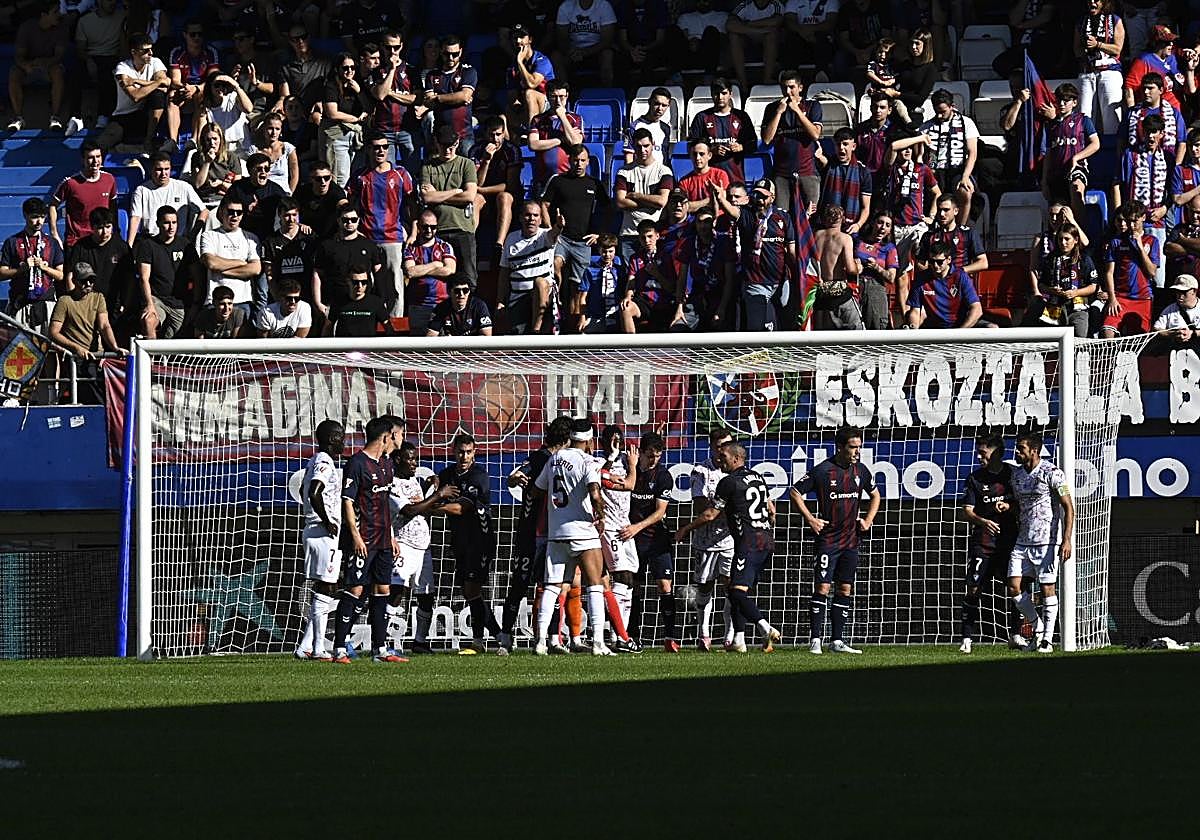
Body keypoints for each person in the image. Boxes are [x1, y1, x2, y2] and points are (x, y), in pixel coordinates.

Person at [678, 440, 781, 653]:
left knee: (736, 593)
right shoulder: (758, 477)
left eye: (724, 456)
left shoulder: (728, 482)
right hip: (766, 540)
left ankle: (765, 628)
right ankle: (739, 641)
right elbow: (771, 509)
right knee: (738, 590)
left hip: (748, 542)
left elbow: (710, 514)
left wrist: (686, 529)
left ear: (736, 458)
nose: (719, 459)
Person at [790, 426, 880, 654]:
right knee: (822, 587)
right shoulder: (822, 471)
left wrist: (868, 520)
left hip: (851, 541)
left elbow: (876, 495)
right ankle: (815, 640)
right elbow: (794, 492)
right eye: (852, 447)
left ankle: (837, 640)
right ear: (840, 447)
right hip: (828, 541)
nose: (857, 452)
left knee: (845, 589)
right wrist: (811, 519)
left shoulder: (861, 471)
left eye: (859, 447)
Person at [531, 416, 613, 656]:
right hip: (583, 532)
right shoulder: (589, 462)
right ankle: (598, 642)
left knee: (552, 587)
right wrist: (600, 517)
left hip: (556, 533)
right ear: (589, 440)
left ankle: (541, 642)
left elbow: (538, 489)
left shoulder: (555, 458)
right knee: (595, 585)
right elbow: (595, 494)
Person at [331, 415, 406, 663]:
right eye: (398, 434)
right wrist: (355, 536)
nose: (400, 439)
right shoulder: (356, 463)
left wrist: (392, 536)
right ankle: (339, 648)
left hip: (384, 539)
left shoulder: (386, 465)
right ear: (386, 436)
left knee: (382, 589)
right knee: (355, 589)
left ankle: (380, 650)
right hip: (364, 538)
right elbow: (348, 502)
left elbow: (384, 504)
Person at [433, 432, 503, 654]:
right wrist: (434, 483)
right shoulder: (447, 474)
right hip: (460, 541)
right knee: (470, 591)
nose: (464, 456)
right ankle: (496, 636)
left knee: (472, 589)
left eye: (468, 452)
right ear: (453, 451)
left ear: (475, 452)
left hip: (480, 540)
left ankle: (483, 639)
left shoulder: (478, 476)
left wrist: (430, 507)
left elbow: (460, 508)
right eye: (460, 452)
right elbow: (436, 483)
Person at [388, 441, 457, 655]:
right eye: (410, 458)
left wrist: (431, 490)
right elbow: (408, 511)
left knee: (426, 594)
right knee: (396, 592)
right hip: (403, 545)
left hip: (422, 546)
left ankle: (419, 641)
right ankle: (382, 642)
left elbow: (423, 509)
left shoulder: (414, 482)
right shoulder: (391, 483)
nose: (414, 463)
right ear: (398, 459)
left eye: (416, 458)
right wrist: (438, 495)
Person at [1009, 430, 1075, 654]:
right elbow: (1020, 506)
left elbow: (1068, 508)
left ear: (1034, 451)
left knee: (1048, 588)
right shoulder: (1016, 475)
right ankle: (1037, 627)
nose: (1016, 452)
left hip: (1047, 541)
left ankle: (1046, 639)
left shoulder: (1053, 473)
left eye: (1021, 448)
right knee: (1014, 586)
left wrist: (1066, 540)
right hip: (1022, 541)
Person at [959, 432, 1023, 654]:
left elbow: (1024, 502)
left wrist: (1010, 507)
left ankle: (1016, 634)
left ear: (997, 452)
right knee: (973, 588)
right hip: (983, 542)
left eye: (983, 453)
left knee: (1016, 588)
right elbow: (967, 511)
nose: (979, 457)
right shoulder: (975, 478)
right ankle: (967, 638)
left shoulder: (1013, 474)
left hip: (1010, 541)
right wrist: (983, 521)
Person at [678, 428, 735, 652]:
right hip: (706, 540)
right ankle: (704, 633)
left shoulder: (736, 470)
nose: (723, 449)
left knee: (731, 587)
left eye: (727, 444)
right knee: (705, 587)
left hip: (730, 540)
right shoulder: (701, 471)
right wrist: (729, 507)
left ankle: (730, 636)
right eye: (719, 445)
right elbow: (701, 506)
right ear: (712, 447)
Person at [348, 130, 415, 316]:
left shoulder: (400, 174)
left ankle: (396, 325)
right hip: (366, 237)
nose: (381, 151)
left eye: (385, 147)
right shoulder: (359, 176)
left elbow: (412, 205)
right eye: (376, 147)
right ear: (369, 149)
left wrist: (414, 230)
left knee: (395, 284)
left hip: (393, 237)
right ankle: (368, 321)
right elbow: (350, 205)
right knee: (366, 284)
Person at [294, 419, 345, 661]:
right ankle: (318, 649)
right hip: (321, 532)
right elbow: (315, 491)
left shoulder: (316, 460)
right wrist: (327, 520)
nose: (344, 440)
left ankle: (305, 646)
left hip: (315, 531)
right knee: (326, 587)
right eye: (341, 436)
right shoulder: (324, 461)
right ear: (333, 438)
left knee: (327, 586)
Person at [541, 144, 607, 328]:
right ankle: (558, 298)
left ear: (588, 162)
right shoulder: (558, 181)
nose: (579, 164)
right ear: (569, 160)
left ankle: (573, 327)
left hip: (583, 242)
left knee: (579, 287)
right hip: (561, 238)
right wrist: (550, 229)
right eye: (575, 160)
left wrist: (599, 234)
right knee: (556, 264)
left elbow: (608, 210)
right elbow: (544, 204)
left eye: (582, 161)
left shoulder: (594, 184)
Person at [719, 178, 797, 332]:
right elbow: (733, 211)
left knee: (783, 328)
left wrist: (797, 276)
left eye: (764, 197)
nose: (760, 200)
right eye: (757, 195)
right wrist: (721, 198)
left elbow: (792, 251)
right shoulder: (747, 214)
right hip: (755, 283)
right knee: (758, 329)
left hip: (780, 283)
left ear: (772, 198)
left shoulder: (783, 217)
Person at [623, 430, 676, 650]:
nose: (654, 460)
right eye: (650, 455)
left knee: (665, 586)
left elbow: (660, 512)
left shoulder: (663, 476)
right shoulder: (630, 471)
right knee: (633, 588)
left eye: (658, 456)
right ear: (641, 453)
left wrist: (637, 527)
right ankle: (633, 635)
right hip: (632, 541)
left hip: (656, 540)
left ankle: (670, 637)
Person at [592, 425, 642, 653]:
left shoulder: (627, 459)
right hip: (609, 528)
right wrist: (612, 459)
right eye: (611, 440)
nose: (615, 444)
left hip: (626, 527)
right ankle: (617, 636)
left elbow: (632, 482)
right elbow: (625, 483)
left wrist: (630, 463)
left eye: (618, 440)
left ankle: (622, 635)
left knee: (629, 581)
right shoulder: (598, 463)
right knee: (620, 577)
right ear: (602, 442)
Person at [891, 88, 979, 218]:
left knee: (964, 191)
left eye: (943, 112)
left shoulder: (966, 123)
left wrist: (965, 176)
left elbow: (973, 153)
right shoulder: (927, 126)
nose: (939, 115)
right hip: (934, 171)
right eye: (936, 111)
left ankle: (961, 229)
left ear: (952, 107)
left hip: (957, 169)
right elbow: (918, 154)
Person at [418, 125, 479, 289]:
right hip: (438, 229)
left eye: (451, 146)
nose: (448, 150)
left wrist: (438, 195)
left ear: (458, 143)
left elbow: (469, 196)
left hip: (463, 228)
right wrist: (455, 192)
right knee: (440, 279)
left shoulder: (466, 164)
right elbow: (427, 197)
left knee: (469, 277)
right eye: (444, 145)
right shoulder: (428, 167)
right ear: (437, 143)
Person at [1114, 114, 1170, 287]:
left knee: (1158, 276)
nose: (1151, 136)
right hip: (1134, 222)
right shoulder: (1131, 155)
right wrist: (1120, 215)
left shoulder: (1168, 157)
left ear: (1162, 133)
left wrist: (1165, 208)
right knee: (1132, 270)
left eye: (1155, 132)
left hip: (1158, 223)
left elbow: (1173, 191)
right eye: (1147, 132)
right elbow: (1117, 184)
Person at [760, 69, 823, 214]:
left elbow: (815, 135)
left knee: (810, 216)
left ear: (800, 88)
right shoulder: (772, 108)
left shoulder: (812, 106)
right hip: (781, 175)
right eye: (784, 87)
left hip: (807, 172)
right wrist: (778, 113)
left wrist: (797, 111)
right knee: (782, 217)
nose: (788, 91)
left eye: (792, 87)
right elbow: (767, 139)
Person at [498, 202, 563, 335]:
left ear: (540, 219)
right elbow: (504, 273)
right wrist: (500, 301)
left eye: (535, 215)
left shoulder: (545, 236)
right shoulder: (511, 239)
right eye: (528, 215)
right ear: (521, 218)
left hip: (543, 297)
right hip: (518, 297)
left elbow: (554, 233)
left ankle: (536, 331)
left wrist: (559, 226)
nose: (531, 219)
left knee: (540, 282)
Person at [98, 32, 170, 152]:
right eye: (145, 51)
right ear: (133, 52)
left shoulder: (155, 62)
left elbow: (166, 82)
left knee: (157, 96)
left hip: (148, 114)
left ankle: (148, 141)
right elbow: (135, 96)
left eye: (151, 50)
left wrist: (137, 81)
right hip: (125, 115)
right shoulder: (122, 68)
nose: (150, 54)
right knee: (103, 143)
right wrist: (157, 83)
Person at [1041, 83, 1100, 223]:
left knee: (1076, 186)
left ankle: (1080, 230)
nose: (1062, 104)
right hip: (1057, 171)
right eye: (1059, 100)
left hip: (1077, 168)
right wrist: (1044, 179)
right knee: (1057, 210)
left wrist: (1076, 157)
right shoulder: (1052, 125)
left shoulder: (1083, 120)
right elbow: (1048, 153)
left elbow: (1096, 144)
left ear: (1074, 102)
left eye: (1066, 100)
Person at [64, 207, 133, 326]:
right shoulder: (81, 247)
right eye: (100, 228)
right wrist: (76, 300)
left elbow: (129, 279)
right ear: (92, 227)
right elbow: (70, 276)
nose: (105, 232)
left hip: (113, 305)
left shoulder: (122, 248)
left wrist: (125, 303)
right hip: (87, 304)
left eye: (108, 227)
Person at [614, 127, 675, 263]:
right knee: (630, 279)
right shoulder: (624, 172)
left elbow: (661, 202)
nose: (643, 150)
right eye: (638, 146)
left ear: (653, 144)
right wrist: (650, 202)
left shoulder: (663, 171)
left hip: (653, 235)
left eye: (646, 146)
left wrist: (636, 196)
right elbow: (620, 202)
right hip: (629, 234)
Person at [8, 1, 70, 132]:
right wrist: (26, 65)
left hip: (50, 67)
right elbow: (19, 55)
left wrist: (45, 62)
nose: (59, 14)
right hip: (29, 67)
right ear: (44, 15)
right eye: (55, 12)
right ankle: (18, 118)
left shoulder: (61, 27)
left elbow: (59, 56)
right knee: (14, 73)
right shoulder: (27, 28)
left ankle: (55, 117)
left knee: (57, 71)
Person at [1100, 201, 1159, 337]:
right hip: (1120, 297)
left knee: (1137, 341)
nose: (1131, 226)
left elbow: (1151, 272)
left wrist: (1139, 246)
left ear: (1143, 217)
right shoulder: (1116, 241)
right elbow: (1109, 272)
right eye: (1129, 221)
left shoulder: (1151, 241)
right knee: (1107, 332)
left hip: (1142, 298)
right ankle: (1110, 359)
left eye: (1135, 221)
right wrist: (1112, 298)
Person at [1028, 223, 1098, 337]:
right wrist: (1052, 290)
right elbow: (1041, 285)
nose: (1063, 243)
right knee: (1053, 345)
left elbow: (1093, 286)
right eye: (1060, 239)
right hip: (1054, 306)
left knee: (1079, 341)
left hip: (1078, 307)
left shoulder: (1084, 259)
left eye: (1067, 239)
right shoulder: (1050, 259)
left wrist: (1075, 292)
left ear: (1075, 240)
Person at [1, 198, 63, 323]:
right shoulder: (12, 242)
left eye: (42, 217)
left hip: (46, 302)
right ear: (25, 215)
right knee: (20, 343)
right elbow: (1, 274)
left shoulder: (52, 243)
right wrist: (21, 269)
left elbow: (60, 275)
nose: (39, 221)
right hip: (19, 303)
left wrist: (45, 268)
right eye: (34, 217)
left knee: (46, 342)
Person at [133, 204, 191, 338]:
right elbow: (144, 278)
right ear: (158, 223)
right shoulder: (147, 245)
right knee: (148, 320)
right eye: (166, 223)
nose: (171, 227)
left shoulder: (186, 245)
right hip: (157, 299)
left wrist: (194, 305)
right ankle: (150, 359)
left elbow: (197, 276)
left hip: (180, 304)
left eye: (174, 222)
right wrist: (149, 304)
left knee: (176, 342)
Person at [198, 195, 261, 315]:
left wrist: (222, 270)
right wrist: (240, 263)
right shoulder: (209, 236)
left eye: (239, 212)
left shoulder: (251, 238)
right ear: (221, 212)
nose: (235, 216)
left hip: (242, 301)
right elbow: (211, 262)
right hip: (215, 301)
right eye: (231, 212)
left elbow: (255, 269)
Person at [885, 143, 940, 282]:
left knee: (920, 253)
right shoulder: (891, 168)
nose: (908, 150)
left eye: (911, 147)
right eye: (904, 147)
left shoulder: (921, 169)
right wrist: (921, 138)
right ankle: (906, 305)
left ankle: (926, 295)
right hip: (898, 226)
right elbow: (893, 146)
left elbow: (937, 193)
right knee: (901, 274)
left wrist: (932, 217)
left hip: (917, 223)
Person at [687, 78, 757, 184]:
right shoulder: (702, 117)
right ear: (711, 94)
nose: (720, 97)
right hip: (708, 180)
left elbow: (753, 143)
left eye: (724, 93)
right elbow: (691, 146)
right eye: (716, 93)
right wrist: (711, 150)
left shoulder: (741, 117)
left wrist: (741, 147)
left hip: (735, 179)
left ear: (730, 94)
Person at [128, 153, 208, 245]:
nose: (163, 174)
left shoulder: (183, 187)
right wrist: (129, 245)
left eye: (166, 169)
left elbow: (204, 211)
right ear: (151, 170)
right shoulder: (141, 190)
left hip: (177, 240)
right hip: (151, 240)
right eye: (159, 169)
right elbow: (135, 218)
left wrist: (192, 235)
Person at [469, 116, 522, 255]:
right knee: (475, 200)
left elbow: (511, 185)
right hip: (483, 198)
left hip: (504, 197)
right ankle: (469, 241)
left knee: (504, 197)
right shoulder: (476, 150)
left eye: (498, 134)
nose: (495, 139)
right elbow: (476, 182)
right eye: (491, 135)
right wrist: (486, 161)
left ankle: (499, 245)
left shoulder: (512, 150)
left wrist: (481, 189)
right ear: (486, 134)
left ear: (504, 133)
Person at [165, 22, 221, 153]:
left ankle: (194, 141)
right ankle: (173, 141)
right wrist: (187, 88)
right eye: (192, 34)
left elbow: (213, 79)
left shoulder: (211, 52)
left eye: (199, 34)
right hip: (184, 89)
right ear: (185, 35)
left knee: (201, 96)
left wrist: (195, 88)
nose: (196, 38)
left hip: (202, 90)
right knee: (172, 96)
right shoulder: (177, 52)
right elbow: (175, 80)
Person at [50, 141, 116, 250]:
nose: (95, 161)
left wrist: (114, 231)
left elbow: (113, 207)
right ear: (83, 160)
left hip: (102, 241)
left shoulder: (109, 179)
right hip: (77, 243)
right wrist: (54, 233)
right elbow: (53, 205)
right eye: (90, 158)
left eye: (98, 157)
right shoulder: (71, 183)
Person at [48, 261, 121, 360]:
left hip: (95, 355)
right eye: (83, 280)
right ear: (74, 280)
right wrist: (76, 348)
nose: (88, 284)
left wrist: (115, 347)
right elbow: (53, 333)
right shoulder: (65, 301)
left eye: (91, 280)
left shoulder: (98, 298)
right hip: (74, 357)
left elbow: (104, 325)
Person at [906, 240, 984, 329]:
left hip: (961, 326)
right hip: (934, 329)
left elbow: (977, 310)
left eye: (939, 262)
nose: (935, 265)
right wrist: (914, 331)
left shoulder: (960, 276)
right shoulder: (921, 279)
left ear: (948, 260)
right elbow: (915, 311)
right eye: (931, 261)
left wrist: (960, 333)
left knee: (992, 327)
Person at [1074, 0, 1125, 136]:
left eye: (1096, 0)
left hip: (1109, 70)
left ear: (1104, 2)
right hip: (1087, 71)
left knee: (1111, 115)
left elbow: (1117, 49)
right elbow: (1076, 50)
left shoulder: (1114, 20)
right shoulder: (1082, 21)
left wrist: (1098, 45)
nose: (1092, 2)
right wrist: (1085, 49)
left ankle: (1113, 150)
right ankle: (1085, 151)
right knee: (1084, 114)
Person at [403, 209, 456, 336]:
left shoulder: (445, 246)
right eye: (425, 226)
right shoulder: (410, 248)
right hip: (417, 305)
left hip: (441, 304)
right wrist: (436, 265)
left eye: (433, 227)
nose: (429, 230)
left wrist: (421, 270)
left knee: (443, 345)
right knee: (417, 347)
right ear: (419, 227)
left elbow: (449, 270)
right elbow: (410, 272)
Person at [620, 218, 679, 333]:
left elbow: (671, 288)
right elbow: (631, 281)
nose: (647, 241)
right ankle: (630, 347)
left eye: (650, 236)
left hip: (663, 301)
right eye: (643, 237)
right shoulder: (635, 258)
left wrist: (656, 274)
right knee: (626, 308)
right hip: (643, 300)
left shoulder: (667, 257)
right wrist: (628, 296)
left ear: (657, 236)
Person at [811, 205, 863, 330]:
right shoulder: (845, 239)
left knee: (824, 337)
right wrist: (859, 268)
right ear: (843, 219)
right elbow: (851, 269)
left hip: (821, 292)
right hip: (839, 292)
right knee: (856, 333)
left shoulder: (816, 235)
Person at [75, 0, 125, 131]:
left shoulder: (122, 16)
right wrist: (88, 60)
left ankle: (103, 116)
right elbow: (80, 49)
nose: (112, 3)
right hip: (91, 56)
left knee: (107, 73)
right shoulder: (85, 21)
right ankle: (75, 117)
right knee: (75, 73)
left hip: (112, 57)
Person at [322, 52, 368, 188]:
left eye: (352, 67)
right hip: (338, 136)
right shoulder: (331, 86)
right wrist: (355, 119)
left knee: (358, 178)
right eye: (345, 68)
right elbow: (332, 113)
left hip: (357, 137)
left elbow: (370, 108)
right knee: (341, 179)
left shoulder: (358, 83)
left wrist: (359, 91)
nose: (349, 71)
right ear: (337, 69)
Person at [422, 33, 477, 144]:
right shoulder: (432, 75)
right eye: (447, 54)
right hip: (440, 136)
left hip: (464, 135)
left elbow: (465, 96)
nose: (451, 58)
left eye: (455, 54)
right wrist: (456, 98)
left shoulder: (468, 71)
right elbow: (429, 102)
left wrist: (437, 98)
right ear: (441, 52)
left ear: (460, 52)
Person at [914, 194, 987, 274]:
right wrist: (934, 273)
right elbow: (920, 263)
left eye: (946, 210)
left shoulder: (968, 233)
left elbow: (983, 263)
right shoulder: (929, 235)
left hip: (960, 282)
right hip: (936, 282)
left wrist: (958, 272)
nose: (942, 214)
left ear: (956, 211)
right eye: (939, 210)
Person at [227, 152, 289, 244]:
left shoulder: (276, 191)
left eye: (266, 169)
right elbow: (224, 211)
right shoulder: (238, 187)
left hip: (267, 237)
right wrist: (245, 209)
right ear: (250, 171)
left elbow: (290, 208)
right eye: (259, 169)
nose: (263, 172)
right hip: (241, 235)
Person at [819, 128, 872, 234]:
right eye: (838, 144)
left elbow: (866, 207)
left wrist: (858, 225)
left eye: (845, 144)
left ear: (853, 146)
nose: (841, 148)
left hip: (850, 227)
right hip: (827, 226)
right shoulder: (827, 166)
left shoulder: (863, 172)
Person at [184, 122, 245, 212]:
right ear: (203, 141)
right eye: (208, 140)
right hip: (203, 202)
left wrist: (221, 184)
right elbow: (197, 184)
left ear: (221, 139)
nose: (212, 143)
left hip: (224, 202)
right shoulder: (197, 157)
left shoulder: (231, 157)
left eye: (215, 139)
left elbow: (238, 189)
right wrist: (207, 162)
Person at [554, 0, 617, 86]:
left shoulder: (603, 5)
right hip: (573, 53)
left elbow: (607, 40)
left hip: (597, 51)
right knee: (556, 56)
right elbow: (561, 39)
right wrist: (570, 51)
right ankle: (563, 93)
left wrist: (585, 52)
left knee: (607, 54)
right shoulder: (566, 6)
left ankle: (607, 94)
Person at [727, 0, 783, 93]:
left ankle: (767, 79)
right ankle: (743, 83)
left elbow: (776, 21)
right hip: (749, 36)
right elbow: (730, 25)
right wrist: (759, 30)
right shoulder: (745, 4)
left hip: (767, 37)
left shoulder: (775, 4)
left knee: (771, 35)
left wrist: (748, 23)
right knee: (734, 36)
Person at [325, 265, 392, 337]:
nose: (360, 286)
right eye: (355, 282)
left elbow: (389, 329)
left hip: (368, 346)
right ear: (348, 281)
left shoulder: (375, 302)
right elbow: (328, 328)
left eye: (364, 282)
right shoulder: (338, 302)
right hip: (344, 346)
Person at [577, 233, 625, 333]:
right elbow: (582, 297)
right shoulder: (590, 270)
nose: (607, 255)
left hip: (616, 316)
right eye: (604, 251)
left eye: (610, 251)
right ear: (599, 250)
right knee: (584, 334)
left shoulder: (620, 268)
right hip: (596, 316)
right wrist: (582, 317)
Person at [242, 113, 299, 195]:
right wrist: (264, 115)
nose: (274, 132)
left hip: (282, 193)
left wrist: (289, 194)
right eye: (270, 128)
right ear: (264, 128)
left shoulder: (287, 148)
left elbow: (294, 176)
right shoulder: (254, 149)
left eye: (277, 129)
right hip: (261, 193)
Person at [293, 161, 347, 241]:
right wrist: (298, 224)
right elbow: (291, 210)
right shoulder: (302, 192)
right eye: (318, 179)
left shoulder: (336, 191)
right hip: (306, 234)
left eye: (326, 178)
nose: (323, 182)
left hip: (330, 236)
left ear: (331, 177)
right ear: (311, 179)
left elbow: (344, 206)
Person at [623, 87, 673, 166]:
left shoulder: (666, 128)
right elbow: (629, 155)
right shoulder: (634, 126)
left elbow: (665, 155)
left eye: (664, 105)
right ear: (650, 102)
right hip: (640, 174)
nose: (660, 108)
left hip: (660, 174)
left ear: (668, 106)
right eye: (657, 104)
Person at [426, 280, 494, 336]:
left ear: (469, 292)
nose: (461, 294)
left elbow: (486, 336)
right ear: (449, 292)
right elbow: (430, 337)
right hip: (449, 347)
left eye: (465, 290)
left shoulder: (479, 306)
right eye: (457, 291)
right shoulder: (441, 308)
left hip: (472, 348)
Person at [1152, 273, 1200, 343]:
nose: (1180, 295)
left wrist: (1192, 333)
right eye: (1177, 291)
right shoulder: (1170, 309)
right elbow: (1156, 329)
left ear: (1194, 291)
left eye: (1184, 292)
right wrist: (1172, 334)